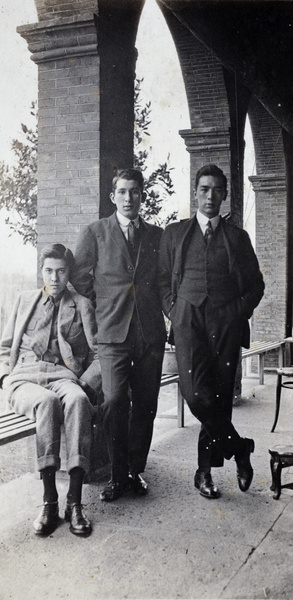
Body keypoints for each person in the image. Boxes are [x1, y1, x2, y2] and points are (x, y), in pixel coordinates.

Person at [158, 164, 265, 499]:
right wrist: (174, 312)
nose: (209, 196)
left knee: (218, 398)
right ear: (195, 192)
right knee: (196, 396)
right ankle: (240, 447)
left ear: (225, 194)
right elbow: (162, 282)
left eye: (217, 190)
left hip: (225, 324)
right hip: (187, 320)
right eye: (204, 189)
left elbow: (256, 287)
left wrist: (235, 313)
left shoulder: (237, 237)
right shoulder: (174, 234)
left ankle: (204, 472)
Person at [71, 168, 167, 501]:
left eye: (135, 192)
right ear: (113, 197)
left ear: (142, 196)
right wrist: (105, 301)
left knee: (145, 404)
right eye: (123, 192)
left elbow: (164, 281)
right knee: (113, 402)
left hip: (149, 334)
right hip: (112, 335)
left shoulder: (156, 236)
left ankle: (133, 472)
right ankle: (115, 473)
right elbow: (79, 276)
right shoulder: (95, 232)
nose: (129, 198)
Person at [0, 243, 101, 536]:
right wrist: (4, 377)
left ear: (69, 273)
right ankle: (49, 501)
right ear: (41, 272)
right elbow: (4, 347)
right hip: (25, 377)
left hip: (62, 376)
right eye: (49, 271)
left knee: (78, 401)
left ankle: (75, 503)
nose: (55, 278)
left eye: (61, 271)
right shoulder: (24, 300)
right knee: (46, 403)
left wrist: (84, 382)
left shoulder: (81, 305)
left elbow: (98, 353)